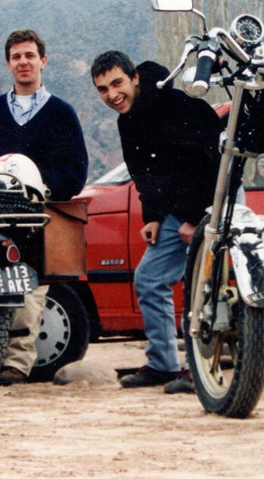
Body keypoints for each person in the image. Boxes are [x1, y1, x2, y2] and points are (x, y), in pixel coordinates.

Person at [91, 50, 222, 394]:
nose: (112, 94)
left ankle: (200, 369)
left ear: (134, 77)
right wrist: (153, 218)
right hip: (178, 208)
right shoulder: (128, 119)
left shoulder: (172, 104)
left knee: (201, 283)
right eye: (103, 89)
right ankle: (163, 364)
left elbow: (204, 162)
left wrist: (195, 219)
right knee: (149, 278)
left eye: (117, 83)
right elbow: (146, 173)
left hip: (213, 199)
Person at [0, 28, 88, 385]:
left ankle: (16, 364)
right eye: (16, 56)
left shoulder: (61, 113)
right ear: (7, 64)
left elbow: (76, 169)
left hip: (39, 214)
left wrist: (43, 187)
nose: (23, 62)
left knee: (30, 288)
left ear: (43, 61)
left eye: (30, 55)